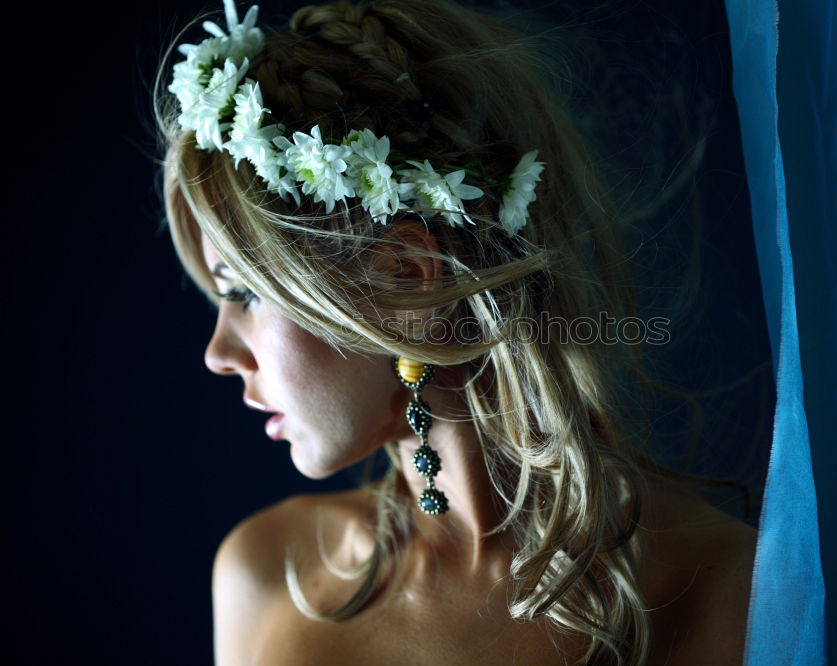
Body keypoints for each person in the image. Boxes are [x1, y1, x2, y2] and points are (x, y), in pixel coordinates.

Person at [156, 0, 758, 663]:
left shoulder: (727, 593)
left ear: (408, 279)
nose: (218, 354)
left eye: (245, 290)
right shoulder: (265, 575)